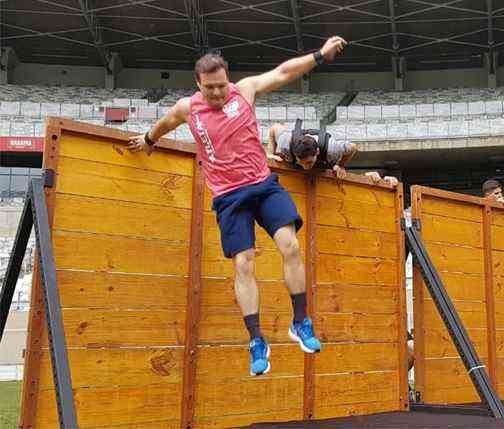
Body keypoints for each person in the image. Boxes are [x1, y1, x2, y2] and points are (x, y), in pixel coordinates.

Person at [127, 36, 348, 376]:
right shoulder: (189, 108)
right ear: (198, 84)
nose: (216, 93)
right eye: (209, 88)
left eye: (220, 86)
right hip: (229, 197)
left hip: (262, 185)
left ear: (227, 78)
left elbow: (284, 72)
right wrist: (148, 139)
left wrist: (320, 56)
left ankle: (300, 322)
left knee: (290, 246)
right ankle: (257, 340)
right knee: (244, 263)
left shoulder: (244, 91)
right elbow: (168, 122)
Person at [267, 121, 398, 186]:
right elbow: (274, 128)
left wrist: (340, 165)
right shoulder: (285, 142)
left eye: (308, 162)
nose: (305, 167)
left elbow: (352, 147)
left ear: (317, 152)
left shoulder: (332, 148)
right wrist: (270, 155)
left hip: (325, 165)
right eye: (301, 162)